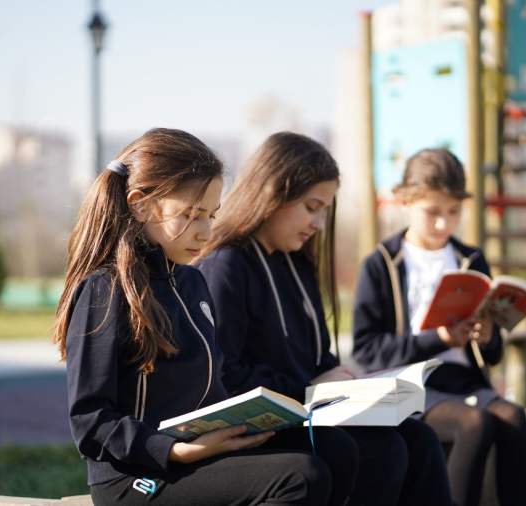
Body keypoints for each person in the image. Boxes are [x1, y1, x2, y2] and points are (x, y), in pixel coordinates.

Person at [52, 128, 359, 506]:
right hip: (136, 476)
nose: (206, 231)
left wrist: (251, 419)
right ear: (140, 204)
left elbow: (210, 388)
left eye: (211, 215)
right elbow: (90, 420)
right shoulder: (104, 289)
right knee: (298, 478)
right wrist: (174, 451)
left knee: (336, 448)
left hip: (199, 450)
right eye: (192, 215)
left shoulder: (194, 282)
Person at [197, 132, 452, 506]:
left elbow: (319, 360)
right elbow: (225, 377)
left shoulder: (296, 262)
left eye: (324, 210)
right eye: (311, 207)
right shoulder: (226, 268)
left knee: (420, 439)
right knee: (382, 451)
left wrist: (352, 386)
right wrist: (310, 388)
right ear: (273, 193)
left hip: (312, 410)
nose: (318, 223)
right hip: (263, 427)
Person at [352, 148, 526, 506]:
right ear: (403, 202)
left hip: (466, 382)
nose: (443, 224)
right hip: (412, 387)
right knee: (473, 424)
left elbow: (492, 356)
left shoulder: (472, 258)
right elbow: (367, 350)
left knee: (513, 416)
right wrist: (440, 339)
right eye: (432, 212)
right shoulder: (382, 263)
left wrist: (488, 335)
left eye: (453, 212)